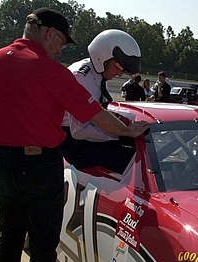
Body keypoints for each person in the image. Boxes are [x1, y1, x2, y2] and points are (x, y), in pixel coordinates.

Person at [0, 8, 149, 262]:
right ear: (50, 34)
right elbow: (98, 118)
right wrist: (130, 131)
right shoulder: (52, 71)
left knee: (9, 237)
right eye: (61, 42)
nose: (62, 49)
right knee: (44, 248)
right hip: (42, 165)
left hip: (2, 161)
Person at [61, 29, 144, 173]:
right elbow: (79, 131)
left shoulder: (98, 72)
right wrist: (121, 134)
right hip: (74, 144)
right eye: (119, 67)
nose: (119, 73)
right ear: (102, 57)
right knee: (134, 163)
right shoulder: (81, 77)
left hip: (86, 137)